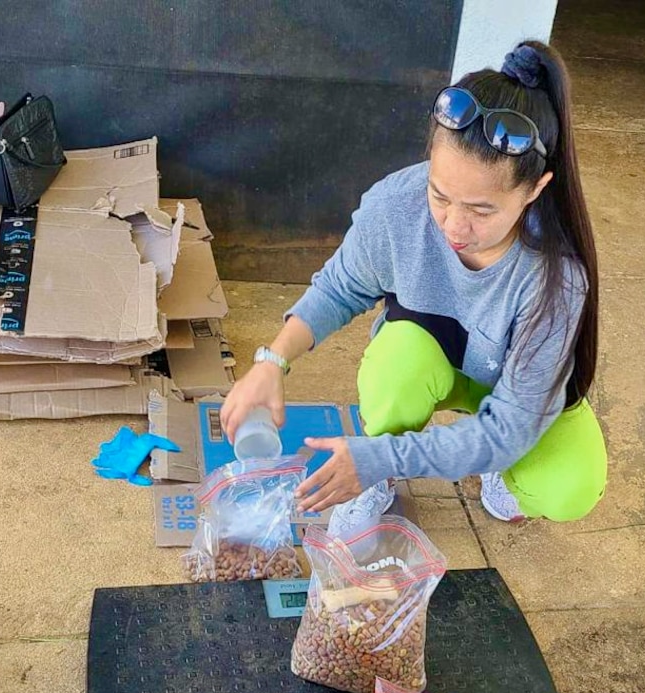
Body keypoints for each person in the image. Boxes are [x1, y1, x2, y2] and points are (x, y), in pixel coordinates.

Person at [221, 39, 606, 532]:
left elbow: (511, 427)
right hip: (428, 361)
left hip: (511, 392)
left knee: (571, 486)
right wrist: (272, 361)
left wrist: (382, 457)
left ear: (535, 189)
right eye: (440, 195)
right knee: (395, 365)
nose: (453, 225)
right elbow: (341, 287)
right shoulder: (395, 205)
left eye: (482, 210)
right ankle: (376, 479)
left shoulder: (556, 278)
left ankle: (475, 472)